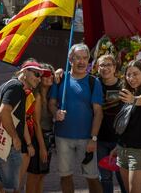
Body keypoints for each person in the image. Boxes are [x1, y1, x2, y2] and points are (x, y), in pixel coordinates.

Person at [49, 43, 103, 193]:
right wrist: (55, 112)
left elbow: (98, 112)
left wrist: (93, 138)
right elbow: (52, 103)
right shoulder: (60, 79)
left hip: (86, 139)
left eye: (85, 58)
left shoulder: (93, 82)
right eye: (77, 58)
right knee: (65, 176)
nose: (81, 62)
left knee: (92, 177)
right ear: (70, 59)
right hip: (62, 137)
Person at [0, 60, 47, 193]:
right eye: (36, 74)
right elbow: (4, 111)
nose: (39, 78)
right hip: (7, 143)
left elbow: (20, 120)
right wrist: (15, 137)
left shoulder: (13, 86)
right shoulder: (16, 87)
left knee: (0, 180)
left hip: (0, 140)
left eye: (41, 76)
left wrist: (28, 143)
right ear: (25, 72)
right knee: (9, 185)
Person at [111, 60, 141, 193]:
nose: (131, 78)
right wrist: (117, 146)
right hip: (123, 149)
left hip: (140, 151)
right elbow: (127, 123)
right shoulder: (129, 93)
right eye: (128, 74)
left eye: (135, 74)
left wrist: (133, 100)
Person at [96, 55, 127, 193]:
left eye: (108, 65)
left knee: (122, 176)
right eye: (102, 65)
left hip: (119, 140)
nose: (105, 68)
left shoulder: (124, 86)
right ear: (97, 68)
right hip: (100, 139)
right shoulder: (94, 84)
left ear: (114, 67)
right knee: (105, 177)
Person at [25, 64, 56, 193]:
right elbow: (37, 123)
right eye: (45, 75)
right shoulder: (37, 96)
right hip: (39, 138)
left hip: (48, 137)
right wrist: (42, 147)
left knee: (42, 174)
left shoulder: (51, 95)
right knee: (34, 175)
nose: (49, 77)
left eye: (51, 74)